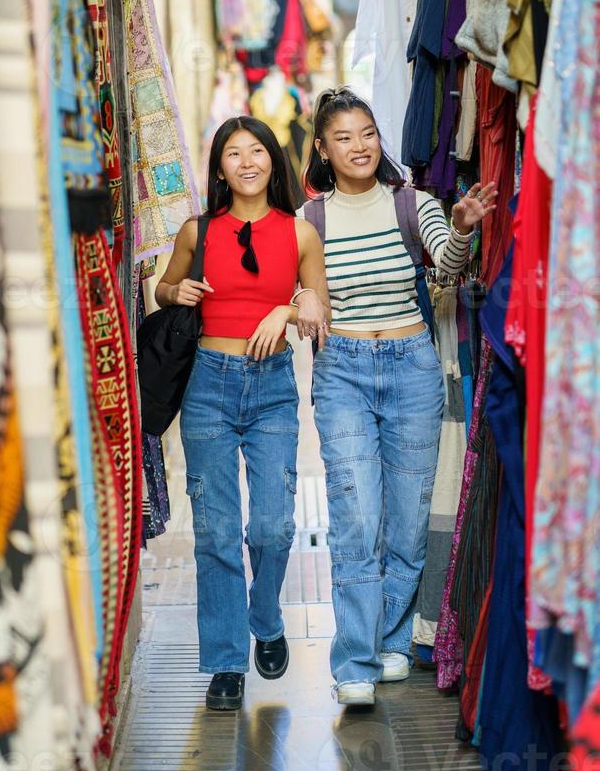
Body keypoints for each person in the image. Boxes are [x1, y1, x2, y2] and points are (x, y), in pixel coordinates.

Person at [300, 87, 497, 706]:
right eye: (343, 138)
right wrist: (298, 301)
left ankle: (388, 638)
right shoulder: (309, 221)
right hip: (343, 371)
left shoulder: (416, 203)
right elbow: (296, 292)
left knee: (409, 520)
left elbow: (446, 269)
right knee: (357, 516)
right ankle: (353, 661)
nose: (359, 146)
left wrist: (460, 229)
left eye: (367, 133)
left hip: (412, 365)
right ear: (322, 150)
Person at [156, 116, 329, 712]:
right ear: (220, 167)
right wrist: (175, 292)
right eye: (234, 153)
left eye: (258, 150)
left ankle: (266, 616)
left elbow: (318, 306)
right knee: (216, 531)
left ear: (274, 162)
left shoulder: (299, 232)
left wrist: (288, 310)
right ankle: (227, 662)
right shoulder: (196, 230)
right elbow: (164, 290)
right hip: (207, 385)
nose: (247, 161)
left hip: (273, 387)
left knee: (275, 525)